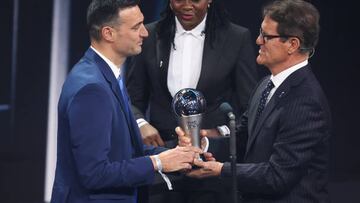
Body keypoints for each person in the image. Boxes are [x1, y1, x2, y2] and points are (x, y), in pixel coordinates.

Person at [178, 0, 332, 202]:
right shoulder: (265, 85)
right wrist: (203, 144)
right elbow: (242, 139)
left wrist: (219, 170)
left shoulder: (305, 101)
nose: (258, 41)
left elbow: (278, 176)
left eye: (266, 36)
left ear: (292, 45)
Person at [50, 1, 201, 202]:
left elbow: (123, 150)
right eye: (135, 27)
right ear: (108, 33)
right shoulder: (92, 89)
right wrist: (157, 162)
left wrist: (174, 155)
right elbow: (94, 174)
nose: (145, 34)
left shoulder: (106, 75)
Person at [125, 0, 259, 202]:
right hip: (162, 166)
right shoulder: (149, 35)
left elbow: (250, 109)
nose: (187, 5)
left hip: (211, 166)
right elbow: (131, 99)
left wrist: (218, 134)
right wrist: (141, 123)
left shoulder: (235, 38)